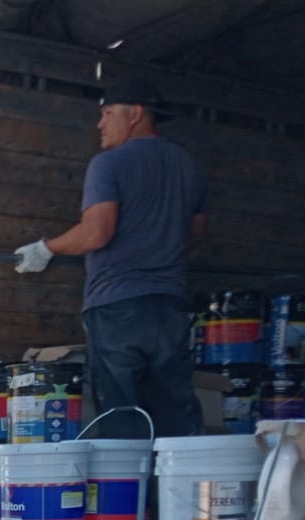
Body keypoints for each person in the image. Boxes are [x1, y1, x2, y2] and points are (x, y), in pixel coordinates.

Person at [14, 77, 206, 438]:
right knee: (174, 413)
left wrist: (45, 248)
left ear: (134, 114)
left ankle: (127, 477)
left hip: (118, 307)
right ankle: (176, 476)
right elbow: (194, 236)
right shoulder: (187, 165)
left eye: (107, 113)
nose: (100, 124)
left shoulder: (109, 163)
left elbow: (96, 232)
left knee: (120, 413)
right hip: (170, 307)